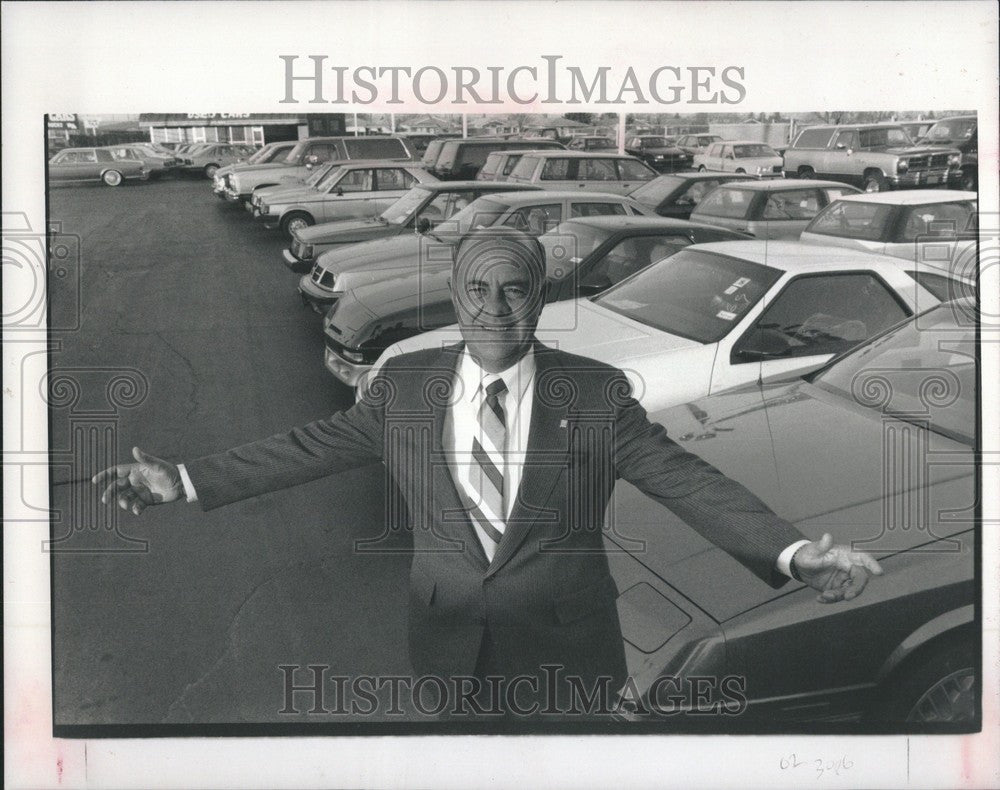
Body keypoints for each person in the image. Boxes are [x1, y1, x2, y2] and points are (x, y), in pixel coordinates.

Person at [94, 229, 883, 717]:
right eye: (478, 288)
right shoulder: (403, 389)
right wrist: (188, 478)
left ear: (539, 299)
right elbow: (308, 448)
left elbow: (684, 478)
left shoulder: (596, 393)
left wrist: (791, 552)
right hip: (447, 643)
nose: (495, 306)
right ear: (456, 298)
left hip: (569, 653)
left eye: (514, 289)